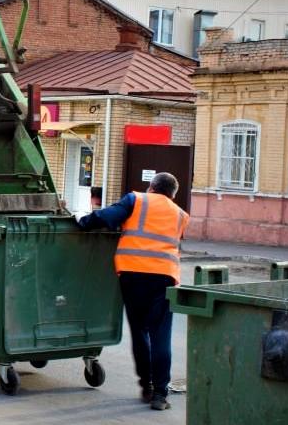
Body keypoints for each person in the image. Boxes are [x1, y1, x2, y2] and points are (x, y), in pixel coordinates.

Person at [75, 172, 189, 411]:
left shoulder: (136, 199)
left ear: (151, 187)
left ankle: (146, 385)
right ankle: (160, 395)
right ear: (172, 194)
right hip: (165, 278)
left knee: (140, 332)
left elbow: (107, 217)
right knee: (161, 335)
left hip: (133, 275)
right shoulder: (181, 215)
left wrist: (83, 222)